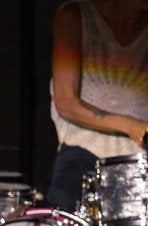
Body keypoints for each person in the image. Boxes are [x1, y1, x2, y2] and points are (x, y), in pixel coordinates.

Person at [47, 0, 148, 212]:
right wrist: (132, 127)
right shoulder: (75, 16)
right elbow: (66, 103)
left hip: (140, 162)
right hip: (83, 154)